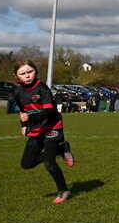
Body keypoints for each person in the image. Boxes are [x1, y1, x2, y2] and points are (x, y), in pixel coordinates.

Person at [12, 60, 75, 203]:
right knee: (27, 164)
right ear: (16, 75)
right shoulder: (18, 92)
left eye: (30, 71)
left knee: (49, 162)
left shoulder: (42, 88)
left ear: (36, 71)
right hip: (36, 129)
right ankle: (62, 149)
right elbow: (23, 111)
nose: (27, 76)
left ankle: (64, 191)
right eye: (22, 73)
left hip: (52, 126)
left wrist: (31, 117)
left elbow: (50, 110)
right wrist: (23, 124)